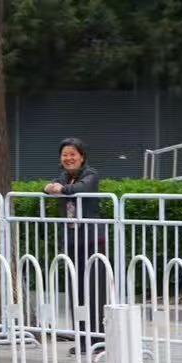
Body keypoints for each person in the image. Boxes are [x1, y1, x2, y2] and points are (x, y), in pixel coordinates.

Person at [44, 137, 105, 345]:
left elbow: (81, 189)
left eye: (72, 154)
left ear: (82, 157)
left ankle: (97, 339)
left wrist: (58, 189)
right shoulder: (63, 176)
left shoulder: (91, 174)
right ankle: (81, 339)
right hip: (71, 239)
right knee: (75, 289)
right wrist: (51, 188)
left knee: (94, 290)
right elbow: (48, 188)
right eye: (65, 155)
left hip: (92, 240)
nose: (68, 158)